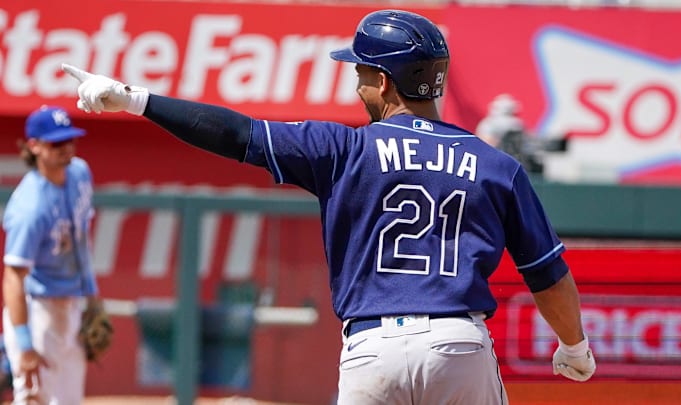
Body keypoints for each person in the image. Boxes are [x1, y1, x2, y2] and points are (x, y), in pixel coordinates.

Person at [62, 9, 595, 404]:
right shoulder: (494, 164)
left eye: (361, 69)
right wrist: (574, 347)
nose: (356, 77)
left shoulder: (343, 148)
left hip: (372, 350)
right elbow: (548, 276)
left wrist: (134, 100)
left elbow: (233, 132)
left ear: (384, 81)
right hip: (458, 344)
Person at [2, 105, 102, 404]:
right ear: (34, 146)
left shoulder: (81, 173)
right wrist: (24, 344)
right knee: (35, 400)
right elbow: (12, 277)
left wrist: (93, 300)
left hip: (73, 304)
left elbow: (82, 241)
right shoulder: (30, 208)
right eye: (56, 142)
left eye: (70, 139)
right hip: (39, 311)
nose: (66, 148)